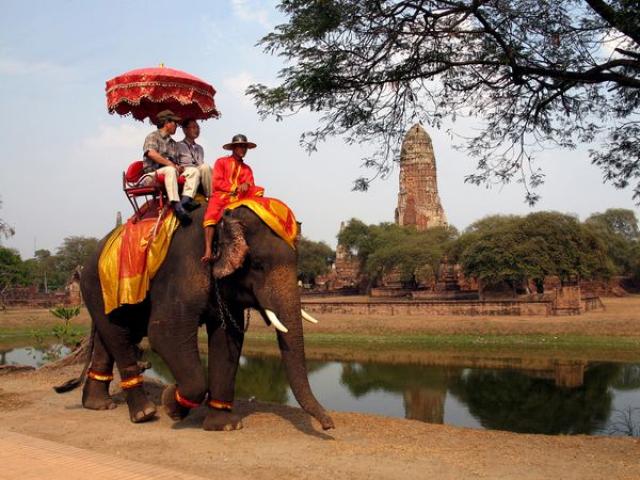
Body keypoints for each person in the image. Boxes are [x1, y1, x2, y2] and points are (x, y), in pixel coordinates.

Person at [201, 134, 264, 263]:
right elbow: (217, 183)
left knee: (258, 191)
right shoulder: (221, 162)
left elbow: (249, 183)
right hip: (222, 195)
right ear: (233, 148)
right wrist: (235, 187)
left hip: (240, 197)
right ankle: (208, 249)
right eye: (240, 146)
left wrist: (247, 185)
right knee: (211, 214)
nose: (243, 149)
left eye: (244, 147)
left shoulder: (247, 169)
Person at [142, 110, 199, 225]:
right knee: (170, 169)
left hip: (170, 173)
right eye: (175, 123)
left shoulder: (173, 143)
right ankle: (176, 206)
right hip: (152, 175)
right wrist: (171, 164)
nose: (177, 126)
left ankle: (186, 200)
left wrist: (179, 168)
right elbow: (151, 153)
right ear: (166, 122)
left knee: (193, 171)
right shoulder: (153, 136)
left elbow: (175, 163)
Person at [175, 119, 211, 198]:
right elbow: (174, 163)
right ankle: (210, 196)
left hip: (199, 170)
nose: (197, 130)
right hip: (186, 171)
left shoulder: (200, 148)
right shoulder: (178, 145)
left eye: (198, 127)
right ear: (185, 130)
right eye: (194, 127)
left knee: (207, 167)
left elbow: (201, 165)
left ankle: (211, 196)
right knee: (203, 167)